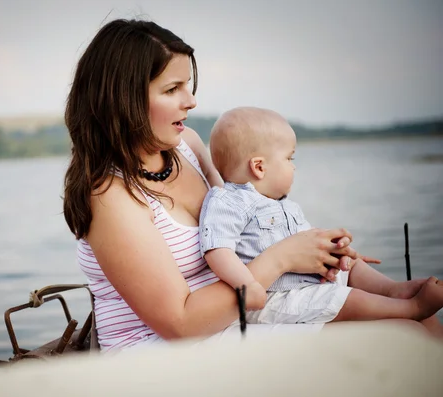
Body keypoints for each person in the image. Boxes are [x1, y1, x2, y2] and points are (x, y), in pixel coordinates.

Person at [62, 18, 430, 353]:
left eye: (187, 86)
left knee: (420, 320)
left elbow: (246, 212)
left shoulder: (186, 144)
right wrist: (283, 257)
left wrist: (318, 250)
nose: (190, 102)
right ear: (123, 100)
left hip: (239, 312)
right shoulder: (111, 196)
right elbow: (180, 322)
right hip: (165, 350)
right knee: (399, 332)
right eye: (172, 89)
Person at [199, 106, 443, 332]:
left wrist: (334, 249)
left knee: (351, 267)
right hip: (274, 297)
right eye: (289, 159)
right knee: (344, 299)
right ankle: (411, 309)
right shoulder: (227, 201)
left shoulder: (281, 203)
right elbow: (217, 249)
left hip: (305, 284)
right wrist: (247, 286)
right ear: (259, 167)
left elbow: (305, 242)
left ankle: (393, 290)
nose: (293, 167)